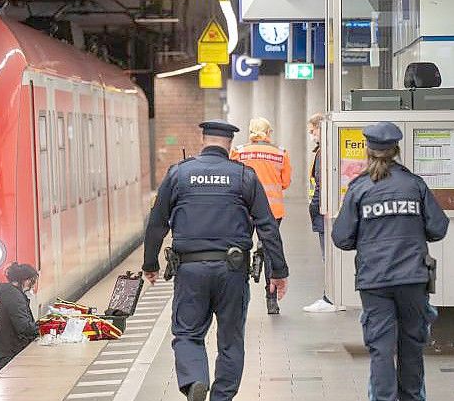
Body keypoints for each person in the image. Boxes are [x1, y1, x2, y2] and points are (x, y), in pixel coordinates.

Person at [142, 119, 289, 401]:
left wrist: (151, 264)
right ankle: (221, 397)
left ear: (203, 141)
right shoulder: (243, 176)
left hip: (190, 269)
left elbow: (157, 223)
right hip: (232, 270)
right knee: (231, 340)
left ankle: (196, 379)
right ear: (229, 145)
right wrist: (278, 271)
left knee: (187, 334)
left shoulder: (179, 174)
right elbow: (267, 226)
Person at [332, 122, 448, 401]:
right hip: (412, 278)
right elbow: (438, 228)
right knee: (411, 345)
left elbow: (341, 238)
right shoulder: (414, 184)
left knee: (381, 348)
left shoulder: (359, 189)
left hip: (375, 280)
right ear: (396, 150)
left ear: (368, 152)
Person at [230, 117, 291, 315]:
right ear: (269, 132)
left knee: (239, 249)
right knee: (272, 251)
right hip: (272, 211)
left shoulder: (238, 152)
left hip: (243, 210)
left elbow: (232, 179)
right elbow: (285, 182)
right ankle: (271, 301)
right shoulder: (281, 153)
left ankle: (240, 295)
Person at [303, 113, 339, 313]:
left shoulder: (324, 153)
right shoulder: (325, 151)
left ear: (321, 128)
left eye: (312, 131)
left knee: (329, 257)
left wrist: (314, 207)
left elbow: (320, 186)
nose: (311, 135)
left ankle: (331, 297)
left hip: (323, 212)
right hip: (324, 211)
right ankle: (334, 295)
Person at [0, 262, 40, 377]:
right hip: (9, 355)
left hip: (5, 352)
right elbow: (23, 327)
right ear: (25, 280)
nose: (31, 286)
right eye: (32, 281)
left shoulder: (10, 293)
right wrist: (42, 327)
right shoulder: (14, 296)